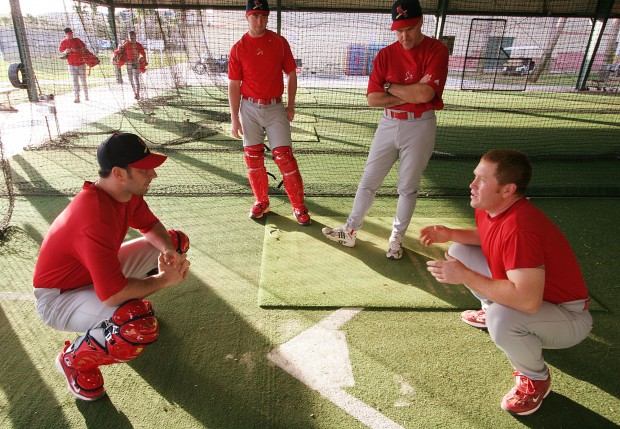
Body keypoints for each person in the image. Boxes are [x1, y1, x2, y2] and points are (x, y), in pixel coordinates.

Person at [420, 149, 592, 416]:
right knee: (459, 251)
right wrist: (451, 233)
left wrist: (464, 275)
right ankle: (493, 313)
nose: (472, 185)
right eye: (474, 177)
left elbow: (527, 300)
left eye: (482, 180)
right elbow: (488, 235)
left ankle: (535, 379)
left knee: (503, 316)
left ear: (508, 189)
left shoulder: (520, 229)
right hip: (539, 302)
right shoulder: (493, 208)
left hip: (569, 318)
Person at [32, 132, 191, 401]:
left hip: (92, 277)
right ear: (119, 173)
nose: (153, 174)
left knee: (176, 242)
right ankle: (73, 361)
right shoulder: (93, 216)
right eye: (144, 169)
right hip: (60, 299)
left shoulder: (125, 194)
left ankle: (122, 310)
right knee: (137, 326)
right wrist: (164, 279)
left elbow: (150, 226)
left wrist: (167, 251)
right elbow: (112, 294)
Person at [322, 0, 449, 259]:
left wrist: (389, 86)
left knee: (408, 187)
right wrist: (410, 94)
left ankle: (396, 238)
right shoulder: (385, 55)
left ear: (421, 22)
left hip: (421, 125)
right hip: (389, 122)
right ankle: (350, 230)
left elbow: (426, 93)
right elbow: (372, 99)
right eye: (399, 31)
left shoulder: (436, 50)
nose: (404, 36)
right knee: (368, 181)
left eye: (409, 29)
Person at [227, 0, 311, 225]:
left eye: (263, 16)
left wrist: (291, 105)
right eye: (255, 16)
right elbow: (234, 85)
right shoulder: (238, 48)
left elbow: (291, 74)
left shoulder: (279, 42)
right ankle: (261, 201)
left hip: (275, 107)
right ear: (247, 17)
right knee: (252, 157)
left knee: (284, 157)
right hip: (249, 108)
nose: (260, 20)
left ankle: (298, 206)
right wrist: (234, 118)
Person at [114, 30, 148, 100]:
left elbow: (143, 54)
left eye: (132, 38)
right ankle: (135, 92)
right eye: (130, 38)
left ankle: (138, 93)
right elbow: (119, 50)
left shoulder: (138, 45)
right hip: (128, 63)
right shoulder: (126, 43)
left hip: (136, 62)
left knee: (136, 78)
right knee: (130, 79)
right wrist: (123, 45)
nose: (131, 39)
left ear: (135, 37)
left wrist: (143, 60)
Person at [58, 27, 89, 103]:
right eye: (69, 34)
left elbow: (84, 48)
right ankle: (77, 97)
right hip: (71, 64)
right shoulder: (63, 42)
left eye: (71, 34)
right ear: (65, 34)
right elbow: (61, 52)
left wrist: (77, 50)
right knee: (75, 81)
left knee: (83, 80)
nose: (71, 35)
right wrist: (66, 51)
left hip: (81, 63)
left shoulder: (77, 40)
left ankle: (86, 95)